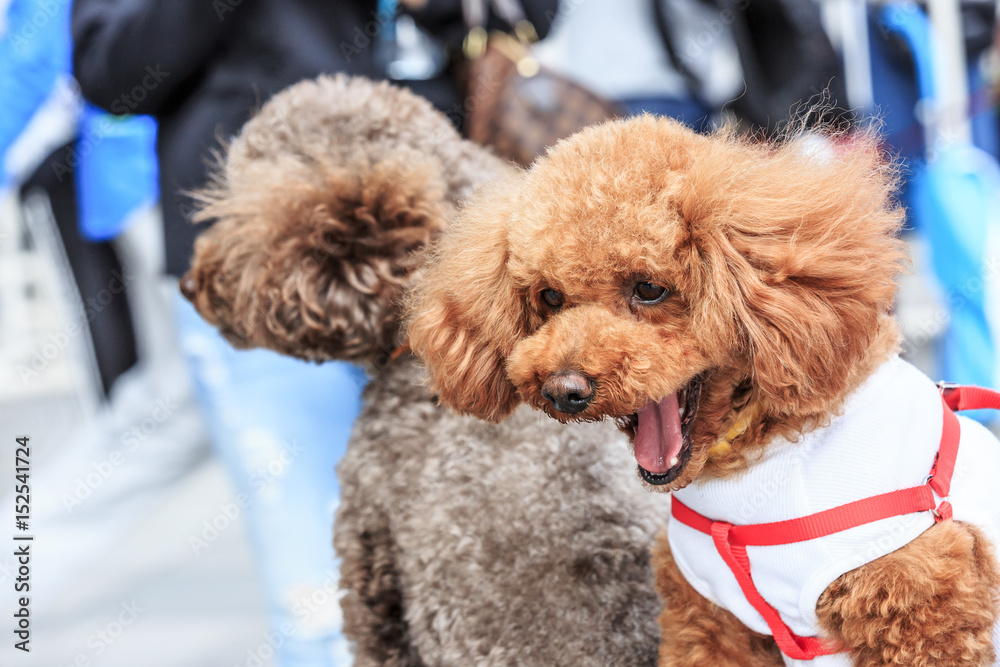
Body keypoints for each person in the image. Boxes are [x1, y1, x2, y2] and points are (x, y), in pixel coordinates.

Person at [70, 1, 554, 664]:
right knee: (327, 603)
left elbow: (531, 14)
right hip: (276, 266)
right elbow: (111, 70)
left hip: (446, 240)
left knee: (499, 577)